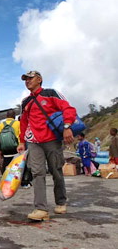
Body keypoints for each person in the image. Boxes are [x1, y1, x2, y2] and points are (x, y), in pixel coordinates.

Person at [17, 71, 77, 221]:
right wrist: (22, 141)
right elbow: (24, 122)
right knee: (37, 173)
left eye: (30, 78)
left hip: (52, 140)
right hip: (34, 142)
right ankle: (41, 209)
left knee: (56, 171)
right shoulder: (25, 102)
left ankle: (61, 202)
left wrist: (67, 126)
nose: (27, 81)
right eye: (25, 79)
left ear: (39, 79)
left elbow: (68, 109)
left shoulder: (51, 93)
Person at [0, 110, 21, 174]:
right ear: (14, 116)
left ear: (6, 116)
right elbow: (21, 135)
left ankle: (5, 177)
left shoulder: (2, 124)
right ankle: (15, 178)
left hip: (5, 148)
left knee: (6, 162)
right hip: (16, 147)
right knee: (16, 163)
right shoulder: (18, 123)